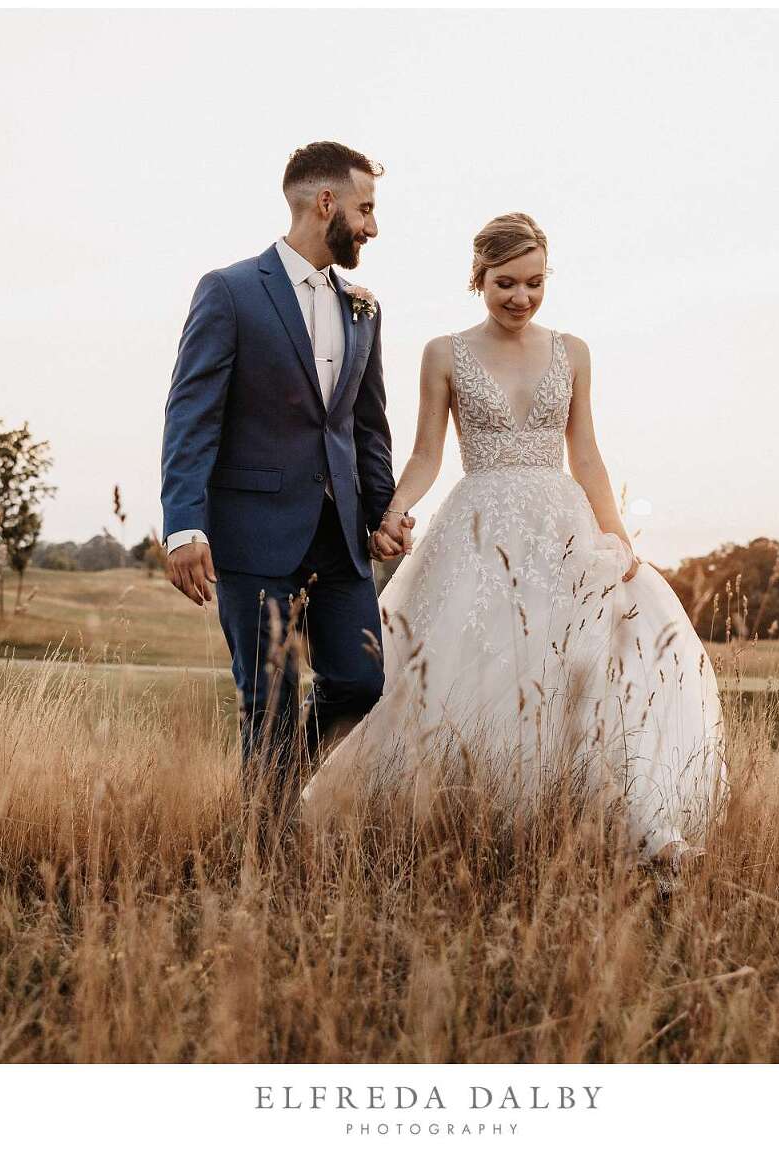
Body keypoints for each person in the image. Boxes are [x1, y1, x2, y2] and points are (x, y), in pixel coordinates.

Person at [303, 213, 727, 890]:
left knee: (580, 678)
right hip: (477, 530)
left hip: (561, 529)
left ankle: (627, 833)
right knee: (470, 675)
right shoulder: (444, 352)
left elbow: (585, 453)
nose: (521, 297)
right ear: (480, 277)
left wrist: (616, 536)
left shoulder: (574, 351)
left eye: (534, 283)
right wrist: (393, 508)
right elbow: (425, 454)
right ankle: (460, 830)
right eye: (506, 283)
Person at [160, 142, 412, 845]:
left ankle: (267, 798)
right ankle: (262, 841)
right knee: (266, 702)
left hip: (341, 536)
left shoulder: (364, 307)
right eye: (365, 208)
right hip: (251, 530)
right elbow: (192, 413)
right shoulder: (231, 290)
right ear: (324, 203)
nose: (371, 227)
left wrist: (385, 510)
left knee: (360, 684)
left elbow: (368, 423)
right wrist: (184, 526)